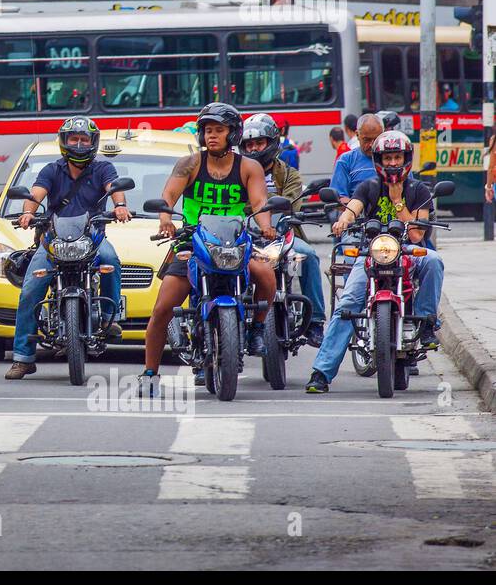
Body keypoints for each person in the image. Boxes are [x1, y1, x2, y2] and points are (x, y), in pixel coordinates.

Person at [141, 103, 277, 393]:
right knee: (163, 307)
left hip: (236, 239)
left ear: (233, 133)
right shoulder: (189, 164)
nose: (212, 136)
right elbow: (168, 195)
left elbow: (259, 203)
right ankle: (150, 373)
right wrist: (166, 219)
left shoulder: (248, 167)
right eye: (207, 131)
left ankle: (256, 330)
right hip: (193, 240)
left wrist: (265, 225)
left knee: (266, 274)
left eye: (219, 130)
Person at [306, 131, 443, 394]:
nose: (393, 163)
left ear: (406, 159)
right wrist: (343, 220)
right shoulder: (368, 186)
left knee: (434, 260)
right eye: (388, 158)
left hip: (406, 250)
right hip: (372, 252)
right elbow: (353, 207)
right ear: (379, 160)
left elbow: (417, 234)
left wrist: (396, 200)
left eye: (397, 157)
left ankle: (426, 323)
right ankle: (321, 372)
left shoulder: (419, 190)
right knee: (347, 304)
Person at [6, 117, 130, 379]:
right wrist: (28, 213)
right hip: (53, 241)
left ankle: (111, 315)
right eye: (74, 139)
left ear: (93, 143)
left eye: (84, 139)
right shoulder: (52, 170)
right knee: (30, 289)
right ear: (64, 142)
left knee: (111, 260)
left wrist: (120, 206)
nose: (79, 143)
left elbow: (114, 189)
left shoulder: (103, 168)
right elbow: (35, 194)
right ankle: (23, 357)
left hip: (91, 238)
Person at [241, 113, 326, 347]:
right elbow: (239, 205)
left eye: (259, 143)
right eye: (249, 144)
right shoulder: (238, 174)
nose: (255, 148)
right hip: (247, 237)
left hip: (283, 235)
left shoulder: (289, 174)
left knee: (308, 255)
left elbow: (290, 202)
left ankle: (315, 322)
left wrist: (263, 208)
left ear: (272, 143)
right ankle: (229, 320)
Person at [332, 113, 384, 203]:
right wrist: (357, 206)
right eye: (366, 140)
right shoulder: (346, 161)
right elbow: (338, 198)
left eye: (376, 139)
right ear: (357, 135)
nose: (371, 145)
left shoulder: (395, 159)